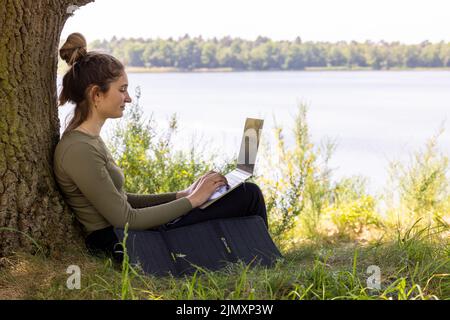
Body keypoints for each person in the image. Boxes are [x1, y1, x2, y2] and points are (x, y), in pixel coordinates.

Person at [54, 33, 269, 263]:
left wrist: (182, 194)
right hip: (125, 243)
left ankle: (256, 256)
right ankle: (264, 259)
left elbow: (122, 199)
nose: (128, 99)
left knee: (244, 193)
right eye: (122, 89)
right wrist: (193, 200)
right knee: (247, 195)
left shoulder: (89, 140)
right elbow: (125, 219)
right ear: (96, 94)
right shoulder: (78, 149)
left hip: (131, 234)